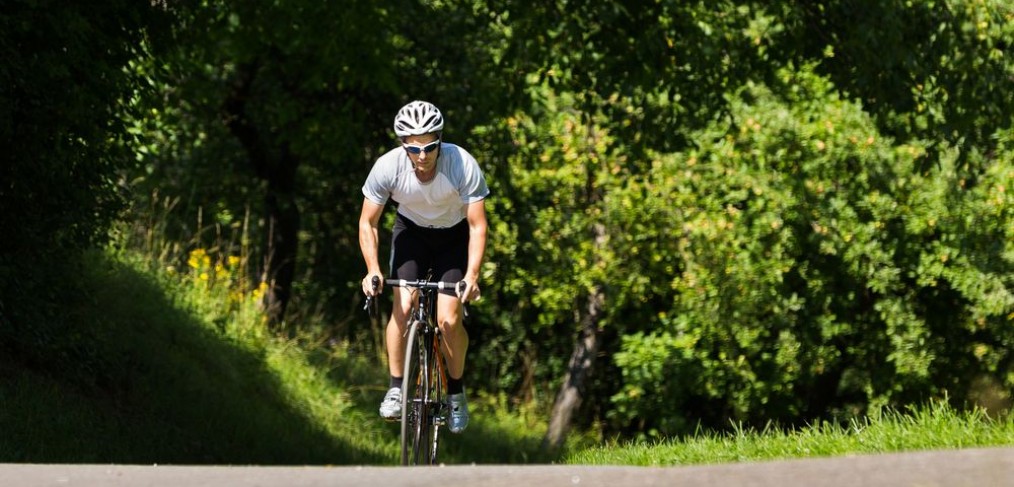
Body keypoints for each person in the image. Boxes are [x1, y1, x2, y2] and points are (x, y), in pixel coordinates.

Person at [359, 100, 489, 434]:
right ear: (402, 144)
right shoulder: (387, 167)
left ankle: (456, 392)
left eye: (430, 146)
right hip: (411, 234)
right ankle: (395, 387)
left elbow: (477, 225)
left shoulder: (461, 164)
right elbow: (368, 223)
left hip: (452, 238)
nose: (422, 156)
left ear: (439, 141)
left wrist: (472, 277)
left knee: (448, 320)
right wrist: (373, 269)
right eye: (413, 148)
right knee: (402, 307)